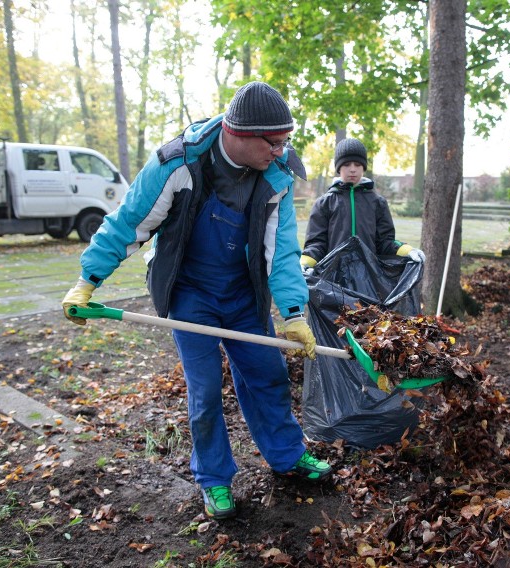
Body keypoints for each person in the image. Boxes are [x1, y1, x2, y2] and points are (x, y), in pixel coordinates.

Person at [61, 81, 332, 520]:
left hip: (244, 291)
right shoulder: (178, 162)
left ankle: (287, 455)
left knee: (268, 375)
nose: (283, 151)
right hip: (190, 291)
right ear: (239, 133)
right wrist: (87, 280)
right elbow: (130, 222)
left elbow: (280, 251)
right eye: (275, 142)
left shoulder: (277, 176)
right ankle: (215, 480)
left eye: (287, 141)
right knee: (204, 392)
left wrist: (293, 312)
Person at [301, 138, 422, 268]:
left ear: (363, 167)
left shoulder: (377, 203)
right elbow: (317, 243)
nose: (352, 169)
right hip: (332, 277)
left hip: (369, 277)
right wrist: (305, 262)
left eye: (357, 165)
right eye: (347, 164)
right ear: (338, 168)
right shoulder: (324, 203)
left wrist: (407, 250)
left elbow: (385, 242)